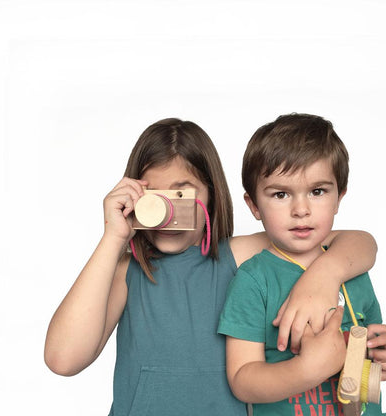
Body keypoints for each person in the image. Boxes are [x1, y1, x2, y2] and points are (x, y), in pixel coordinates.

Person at [44, 118, 378, 416]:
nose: (166, 212)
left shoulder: (239, 254)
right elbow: (63, 359)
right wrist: (112, 238)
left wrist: (325, 274)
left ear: (211, 196)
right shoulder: (127, 270)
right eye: (154, 197)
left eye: (182, 194)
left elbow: (356, 242)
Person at [218, 113, 385, 415]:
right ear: (254, 205)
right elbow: (242, 380)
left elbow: (371, 353)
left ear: (339, 197)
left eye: (317, 191)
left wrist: (379, 352)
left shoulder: (353, 269)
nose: (301, 210)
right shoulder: (253, 279)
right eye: (281, 194)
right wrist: (306, 370)